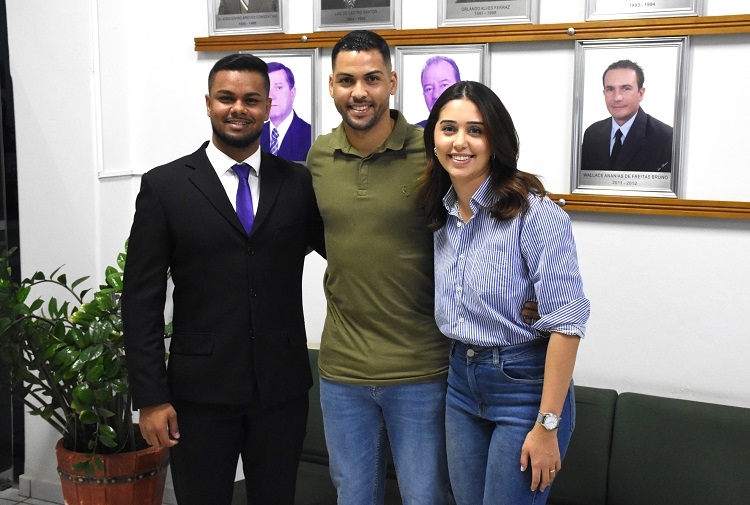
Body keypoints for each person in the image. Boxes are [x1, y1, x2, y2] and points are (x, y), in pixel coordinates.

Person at [122, 54, 325, 505]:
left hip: (282, 390)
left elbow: (349, 255)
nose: (238, 108)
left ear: (269, 105)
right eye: (226, 98)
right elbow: (140, 299)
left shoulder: (297, 183)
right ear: (208, 103)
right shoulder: (166, 186)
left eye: (252, 99)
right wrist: (151, 398)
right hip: (198, 394)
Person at [418, 80, 590, 505]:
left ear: (496, 141)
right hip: (461, 378)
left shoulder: (535, 213)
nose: (460, 142)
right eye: (448, 128)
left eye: (476, 130)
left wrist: (547, 425)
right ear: (433, 139)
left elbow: (567, 324)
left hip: (524, 385)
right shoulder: (441, 210)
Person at [306, 30, 453, 505]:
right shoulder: (319, 157)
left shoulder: (433, 152)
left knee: (424, 496)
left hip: (421, 368)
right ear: (331, 86)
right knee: (353, 494)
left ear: (391, 81)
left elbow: (481, 232)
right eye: (346, 81)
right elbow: (337, 242)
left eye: (371, 78)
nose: (359, 92)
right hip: (342, 370)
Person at [580, 59, 673, 172]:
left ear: (641, 94)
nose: (617, 97)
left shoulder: (665, 138)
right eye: (610, 89)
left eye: (626, 89)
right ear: (604, 93)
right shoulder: (592, 134)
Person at [260, 62, 312, 162]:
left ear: (292, 94)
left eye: (278, 88)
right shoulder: (255, 135)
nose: (271, 96)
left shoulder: (310, 134)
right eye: (267, 89)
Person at [417, 55, 461, 128]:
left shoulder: (481, 129)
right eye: (429, 89)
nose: (436, 95)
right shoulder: (414, 135)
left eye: (444, 85)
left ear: (459, 87)